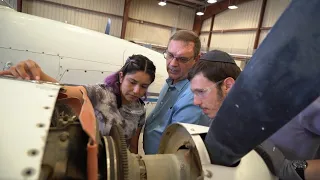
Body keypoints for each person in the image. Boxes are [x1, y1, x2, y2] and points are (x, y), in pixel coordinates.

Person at [188, 49, 320, 180]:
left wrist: (295, 169)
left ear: (228, 85)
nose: (196, 101)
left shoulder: (299, 103)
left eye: (201, 92)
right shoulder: (223, 119)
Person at [0, 54, 156, 154]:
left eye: (143, 86)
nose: (136, 91)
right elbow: (65, 91)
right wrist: (38, 75)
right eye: (132, 82)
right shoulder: (100, 94)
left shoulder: (139, 110)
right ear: (121, 77)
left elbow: (133, 147)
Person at [143, 30, 210, 154]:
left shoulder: (192, 96)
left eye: (182, 59)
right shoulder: (172, 81)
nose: (173, 64)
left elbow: (176, 145)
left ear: (197, 59)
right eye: (170, 55)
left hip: (166, 166)